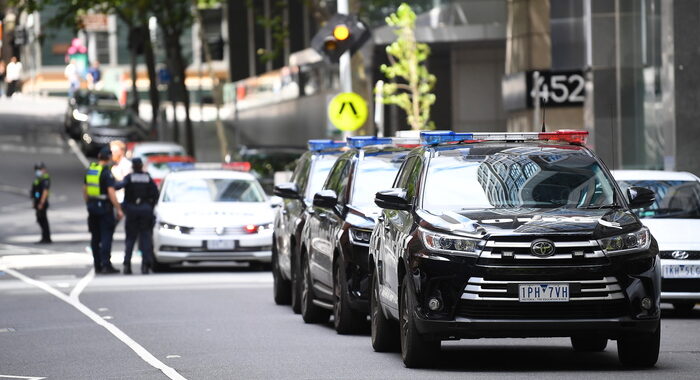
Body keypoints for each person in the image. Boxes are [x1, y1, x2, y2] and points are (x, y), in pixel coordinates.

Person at [84, 147, 124, 274]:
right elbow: (111, 192)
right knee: (106, 236)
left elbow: (84, 190)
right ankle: (106, 264)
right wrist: (119, 209)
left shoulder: (91, 170)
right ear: (108, 157)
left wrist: (89, 204)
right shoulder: (106, 172)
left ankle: (97, 264)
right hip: (105, 209)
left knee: (95, 237)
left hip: (92, 208)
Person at [116, 158, 159, 274]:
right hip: (145, 211)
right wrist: (150, 206)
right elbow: (156, 194)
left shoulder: (129, 178)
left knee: (130, 239)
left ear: (133, 167)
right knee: (145, 238)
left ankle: (127, 265)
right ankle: (145, 265)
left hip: (132, 211)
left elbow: (118, 186)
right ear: (141, 166)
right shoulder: (147, 178)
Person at [30, 162, 52, 244]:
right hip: (37, 201)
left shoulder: (45, 179)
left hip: (42, 202)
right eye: (37, 170)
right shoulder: (38, 179)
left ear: (43, 169)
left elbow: (45, 192)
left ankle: (46, 237)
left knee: (43, 219)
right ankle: (44, 237)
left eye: (39, 169)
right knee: (40, 219)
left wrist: (41, 203)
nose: (38, 171)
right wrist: (34, 201)